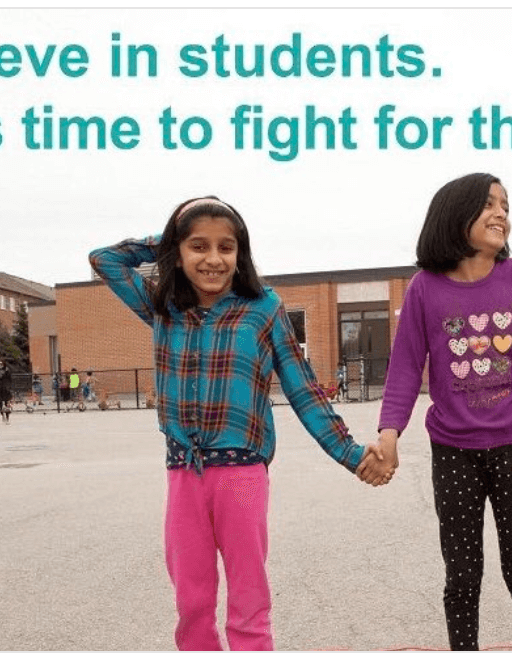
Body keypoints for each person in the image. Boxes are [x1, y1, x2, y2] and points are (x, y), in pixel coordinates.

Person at [88, 195, 390, 651]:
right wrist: (164, 239)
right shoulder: (164, 306)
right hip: (183, 474)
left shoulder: (263, 308)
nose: (213, 259)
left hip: (243, 474)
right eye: (197, 246)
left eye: (225, 247)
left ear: (240, 253)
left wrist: (351, 455)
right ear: (179, 252)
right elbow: (105, 260)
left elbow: (303, 390)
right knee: (192, 603)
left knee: (249, 602)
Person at [364, 173, 512, 651]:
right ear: (456, 214)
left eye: (506, 206)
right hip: (454, 452)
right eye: (488, 204)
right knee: (462, 575)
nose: (501, 214)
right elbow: (406, 367)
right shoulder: (424, 289)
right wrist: (389, 433)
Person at [0, 360, 13, 424]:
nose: (0, 365)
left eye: (1, 363)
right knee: (0, 404)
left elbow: (9, 379)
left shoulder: (7, 370)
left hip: (6, 389)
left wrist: (9, 386)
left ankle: (7, 418)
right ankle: (3, 416)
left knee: (7, 404)